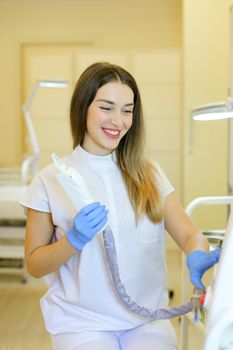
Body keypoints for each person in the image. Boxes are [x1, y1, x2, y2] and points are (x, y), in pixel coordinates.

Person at [20, 62, 220, 350]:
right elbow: (35, 265)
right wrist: (73, 241)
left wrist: (197, 252)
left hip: (146, 319)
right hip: (81, 323)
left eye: (127, 110)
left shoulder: (148, 173)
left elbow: (190, 235)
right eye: (106, 107)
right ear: (83, 107)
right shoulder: (49, 180)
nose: (118, 120)